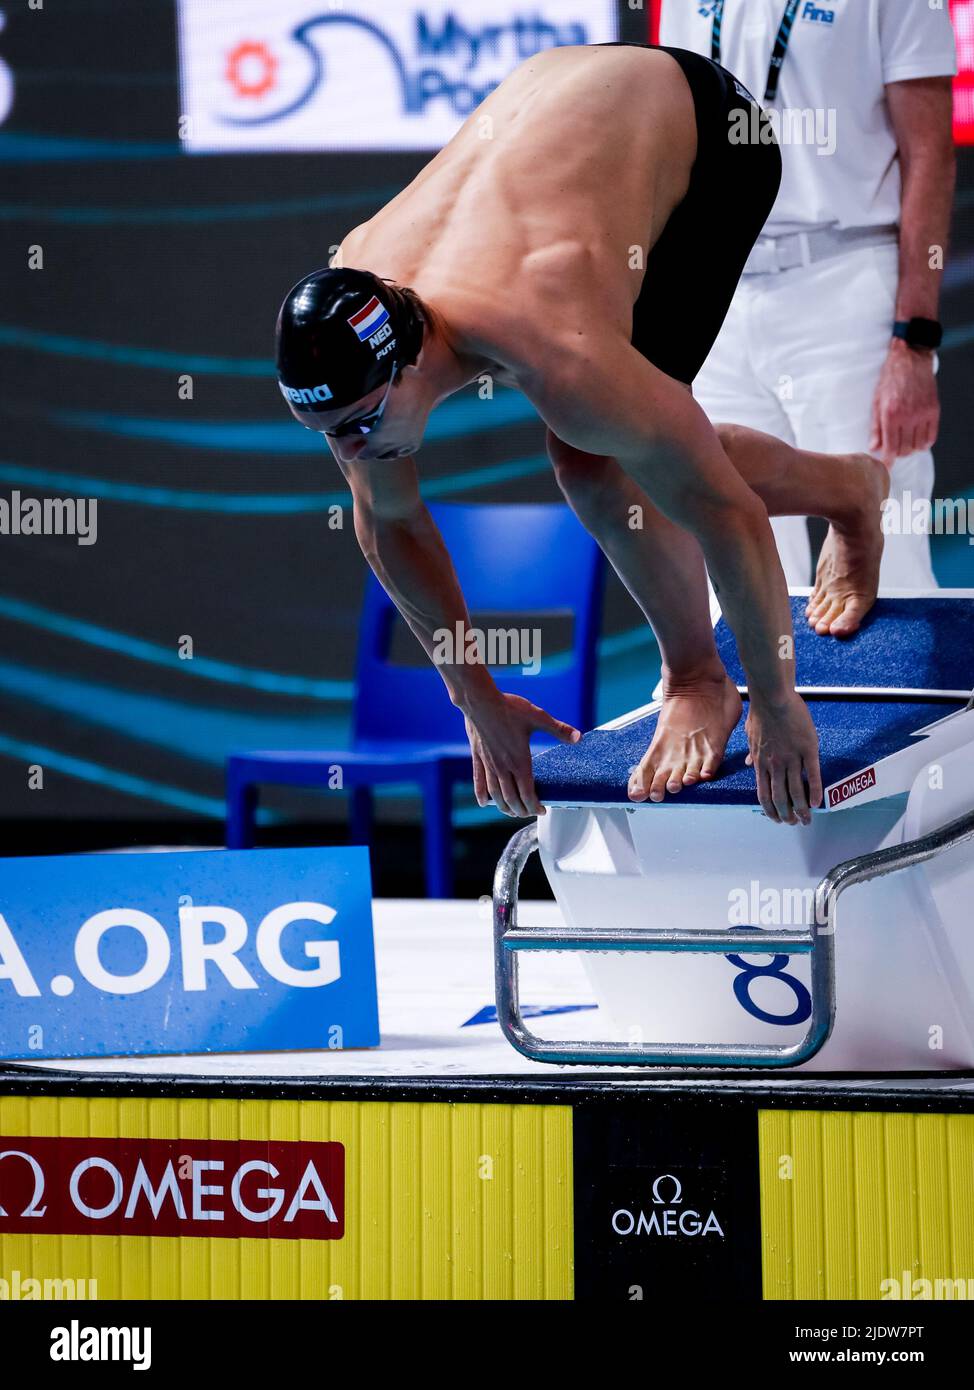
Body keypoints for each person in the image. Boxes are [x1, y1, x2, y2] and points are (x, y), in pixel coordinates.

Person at [276, 43, 890, 827]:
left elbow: (725, 511)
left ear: (415, 360)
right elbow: (390, 524)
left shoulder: (555, 343)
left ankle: (701, 678)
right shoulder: (362, 322)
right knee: (641, 446)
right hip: (576, 98)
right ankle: (849, 487)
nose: (352, 451)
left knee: (599, 461)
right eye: (330, 435)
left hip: (710, 134)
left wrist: (773, 698)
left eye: (359, 425)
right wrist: (479, 701)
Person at [659, 0, 957, 590]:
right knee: (736, 557)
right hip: (720, 288)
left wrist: (914, 342)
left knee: (884, 562)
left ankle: (898, 683)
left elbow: (931, 158)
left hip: (844, 285)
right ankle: (757, 687)